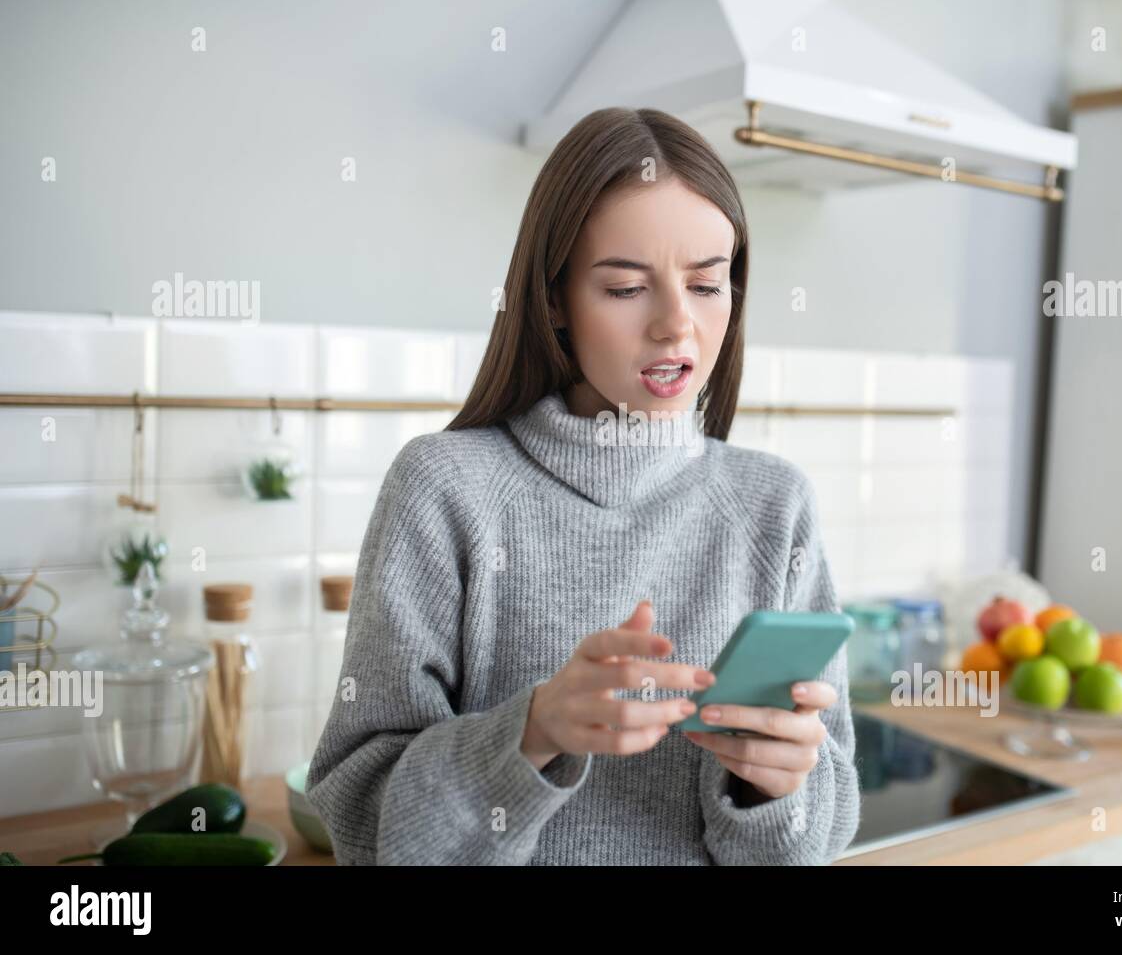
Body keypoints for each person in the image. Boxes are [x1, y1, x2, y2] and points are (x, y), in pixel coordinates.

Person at [306, 106, 860, 865]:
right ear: (556, 301)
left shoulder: (776, 504)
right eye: (627, 288)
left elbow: (821, 835)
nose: (676, 325)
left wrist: (776, 788)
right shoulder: (446, 489)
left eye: (706, 285)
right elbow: (361, 827)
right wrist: (534, 731)